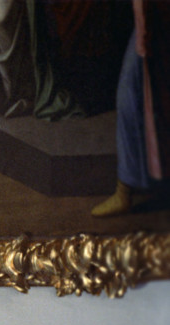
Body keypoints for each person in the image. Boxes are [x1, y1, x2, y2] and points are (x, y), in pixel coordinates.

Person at [92, 0, 169, 217]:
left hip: (157, 19)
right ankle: (126, 189)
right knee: (137, 99)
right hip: (155, 18)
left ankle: (124, 191)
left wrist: (144, 36)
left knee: (131, 100)